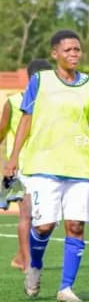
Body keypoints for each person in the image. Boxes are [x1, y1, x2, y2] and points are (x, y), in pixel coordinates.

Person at [3, 31, 89, 302]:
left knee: (76, 226)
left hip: (80, 167)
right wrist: (13, 158)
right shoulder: (40, 81)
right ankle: (34, 266)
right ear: (55, 54)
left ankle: (66, 288)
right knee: (45, 226)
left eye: (77, 50)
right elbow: (26, 119)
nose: (74, 54)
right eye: (69, 50)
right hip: (42, 165)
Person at [1, 58, 54, 271]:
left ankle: (20, 256)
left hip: (46, 166)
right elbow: (2, 130)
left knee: (44, 218)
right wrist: (9, 162)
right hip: (21, 167)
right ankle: (29, 264)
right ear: (30, 79)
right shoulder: (13, 102)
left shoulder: (52, 105)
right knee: (27, 214)